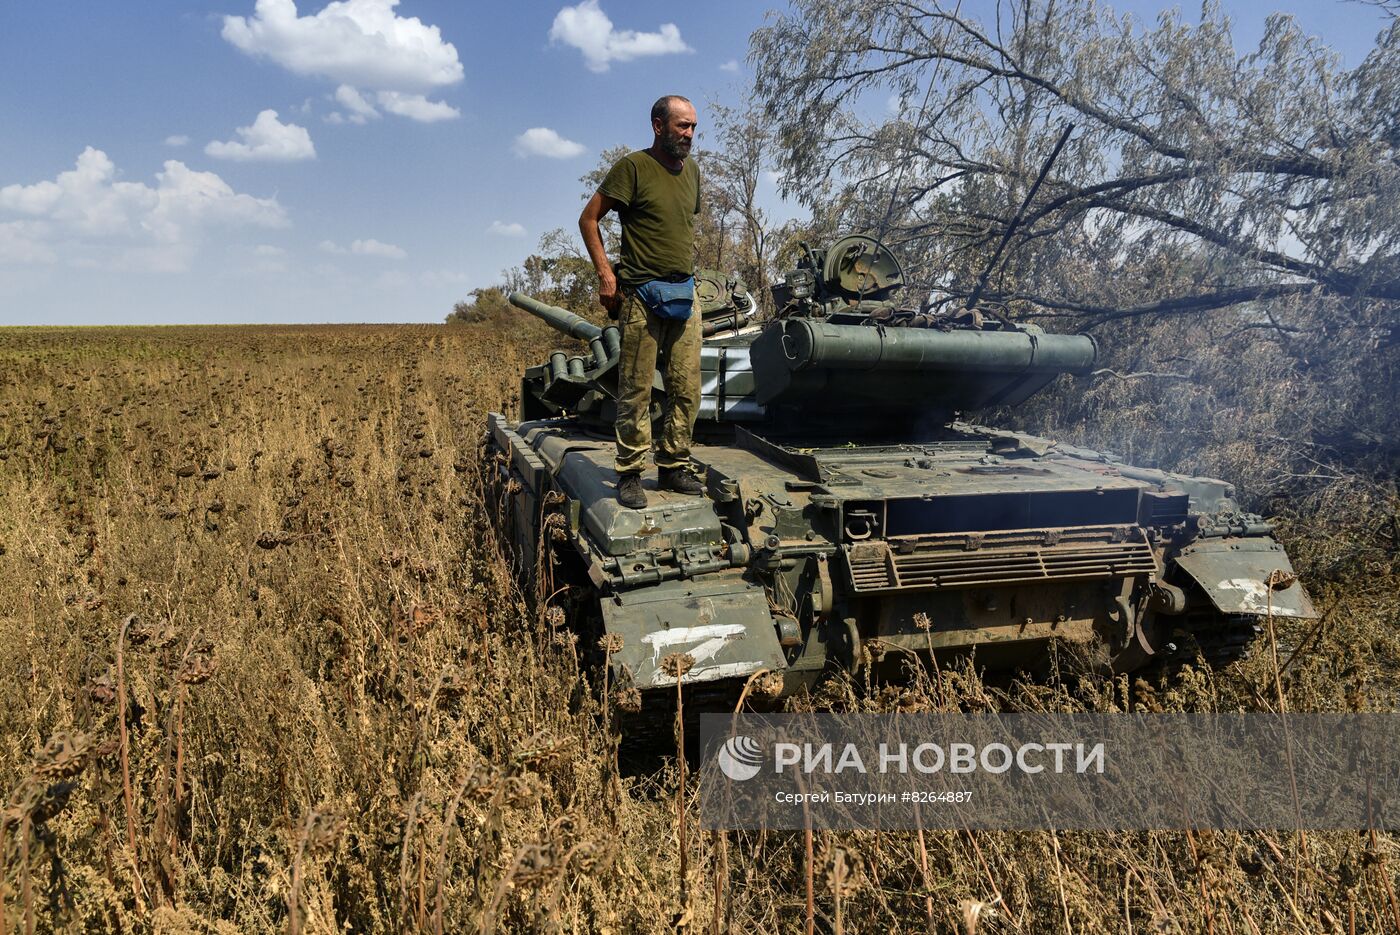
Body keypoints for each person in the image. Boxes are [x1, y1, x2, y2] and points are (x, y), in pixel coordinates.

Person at [579, 95, 705, 510]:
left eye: (692, 127)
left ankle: (673, 463)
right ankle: (630, 472)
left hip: (685, 294)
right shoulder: (634, 167)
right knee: (636, 389)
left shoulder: (694, 174)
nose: (689, 134)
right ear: (658, 125)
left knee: (686, 389)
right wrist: (605, 274)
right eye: (682, 126)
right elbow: (589, 218)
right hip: (640, 295)